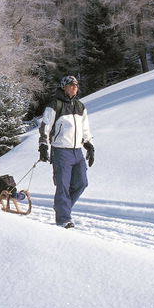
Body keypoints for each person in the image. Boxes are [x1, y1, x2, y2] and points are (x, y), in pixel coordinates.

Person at [38, 75, 95, 228]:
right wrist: (43, 145)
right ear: (64, 87)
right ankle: (63, 219)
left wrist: (89, 145)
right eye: (71, 85)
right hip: (61, 151)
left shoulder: (80, 106)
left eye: (76, 85)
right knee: (63, 185)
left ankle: (63, 208)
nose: (74, 87)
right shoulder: (55, 105)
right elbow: (45, 127)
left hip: (77, 151)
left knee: (82, 182)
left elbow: (85, 129)